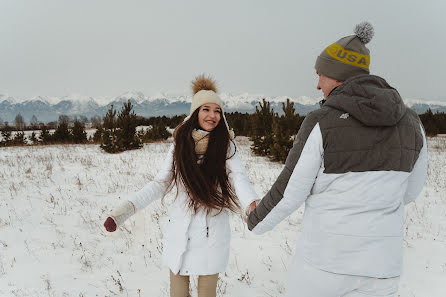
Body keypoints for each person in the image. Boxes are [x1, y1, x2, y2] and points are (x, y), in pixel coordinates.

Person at [247, 22, 428, 297]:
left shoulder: (322, 121)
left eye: (320, 74)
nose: (317, 83)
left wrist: (255, 219)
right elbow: (410, 191)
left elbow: (290, 193)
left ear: (337, 75)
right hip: (382, 269)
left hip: (324, 267)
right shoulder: (413, 123)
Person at [104, 75, 259, 297]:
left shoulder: (226, 146)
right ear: (196, 112)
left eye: (217, 111)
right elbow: (160, 183)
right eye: (206, 109)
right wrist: (125, 210)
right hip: (180, 234)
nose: (212, 115)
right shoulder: (180, 145)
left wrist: (252, 204)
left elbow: (239, 177)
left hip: (211, 234)